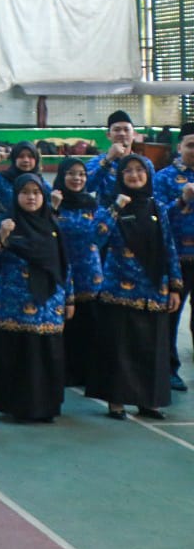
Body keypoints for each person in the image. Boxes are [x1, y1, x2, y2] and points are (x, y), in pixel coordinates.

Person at [88, 154, 181, 420]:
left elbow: (169, 247)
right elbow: (96, 237)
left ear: (149, 174)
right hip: (119, 289)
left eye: (140, 170)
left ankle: (148, 401)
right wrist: (116, 207)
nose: (134, 175)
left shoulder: (157, 207)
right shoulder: (111, 206)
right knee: (120, 348)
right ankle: (116, 402)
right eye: (127, 170)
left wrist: (175, 286)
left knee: (150, 349)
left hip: (154, 290)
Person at [0, 174, 72, 422]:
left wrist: (70, 299)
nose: (31, 197)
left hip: (48, 305)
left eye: (36, 192)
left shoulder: (52, 225)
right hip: (14, 306)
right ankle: (17, 408)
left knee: (46, 358)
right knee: (19, 357)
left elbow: (64, 263)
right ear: (16, 195)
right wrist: (0, 237)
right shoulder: (6, 221)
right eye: (25, 192)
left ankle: (46, 408)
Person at [51, 156, 108, 388]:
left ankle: (88, 374)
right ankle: (63, 373)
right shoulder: (53, 203)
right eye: (71, 174)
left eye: (82, 174)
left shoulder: (92, 205)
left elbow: (103, 236)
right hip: (62, 273)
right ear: (62, 176)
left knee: (90, 325)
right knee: (66, 325)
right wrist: (52, 208)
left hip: (90, 275)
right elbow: (44, 231)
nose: (77, 178)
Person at [152, 126, 194, 393]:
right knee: (170, 316)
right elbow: (157, 218)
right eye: (190, 144)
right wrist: (183, 199)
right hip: (178, 258)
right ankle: (168, 369)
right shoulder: (164, 178)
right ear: (179, 147)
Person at [86, 109, 137, 201]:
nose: (122, 133)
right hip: (106, 214)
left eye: (126, 129)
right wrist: (107, 160)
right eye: (117, 130)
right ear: (108, 135)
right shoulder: (96, 161)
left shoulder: (144, 163)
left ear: (134, 134)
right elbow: (87, 187)